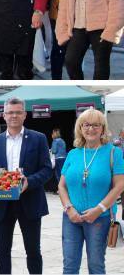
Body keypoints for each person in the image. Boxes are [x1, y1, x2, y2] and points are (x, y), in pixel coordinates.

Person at [0, 97, 53, 274]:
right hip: (3, 203)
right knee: (3, 252)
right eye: (10, 112)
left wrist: (30, 181)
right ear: (4, 115)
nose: (14, 115)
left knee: (33, 251)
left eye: (18, 112)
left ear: (25, 115)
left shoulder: (38, 139)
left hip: (30, 201)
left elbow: (46, 170)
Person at [58, 108, 124, 274]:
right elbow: (61, 186)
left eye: (96, 125)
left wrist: (99, 209)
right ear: (80, 128)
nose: (91, 129)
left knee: (96, 266)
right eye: (86, 125)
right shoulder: (73, 154)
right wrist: (69, 208)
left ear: (103, 128)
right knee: (69, 267)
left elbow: (120, 185)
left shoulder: (113, 153)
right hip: (71, 218)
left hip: (99, 219)